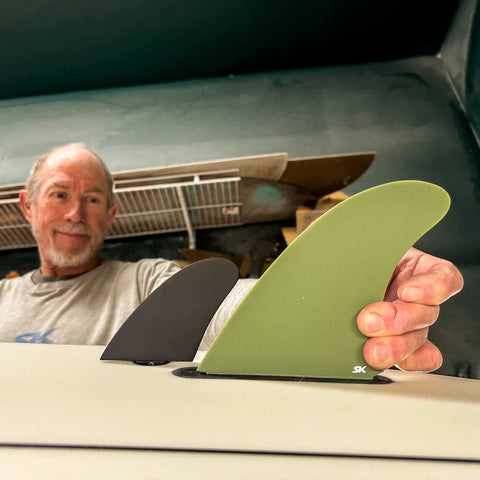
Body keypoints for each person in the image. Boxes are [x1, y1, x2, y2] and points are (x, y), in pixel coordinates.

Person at [0, 143, 464, 372]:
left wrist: (343, 287)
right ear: (28, 205)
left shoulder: (143, 282)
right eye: (59, 194)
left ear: (111, 214)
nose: (75, 213)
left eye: (93, 199)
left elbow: (233, 308)